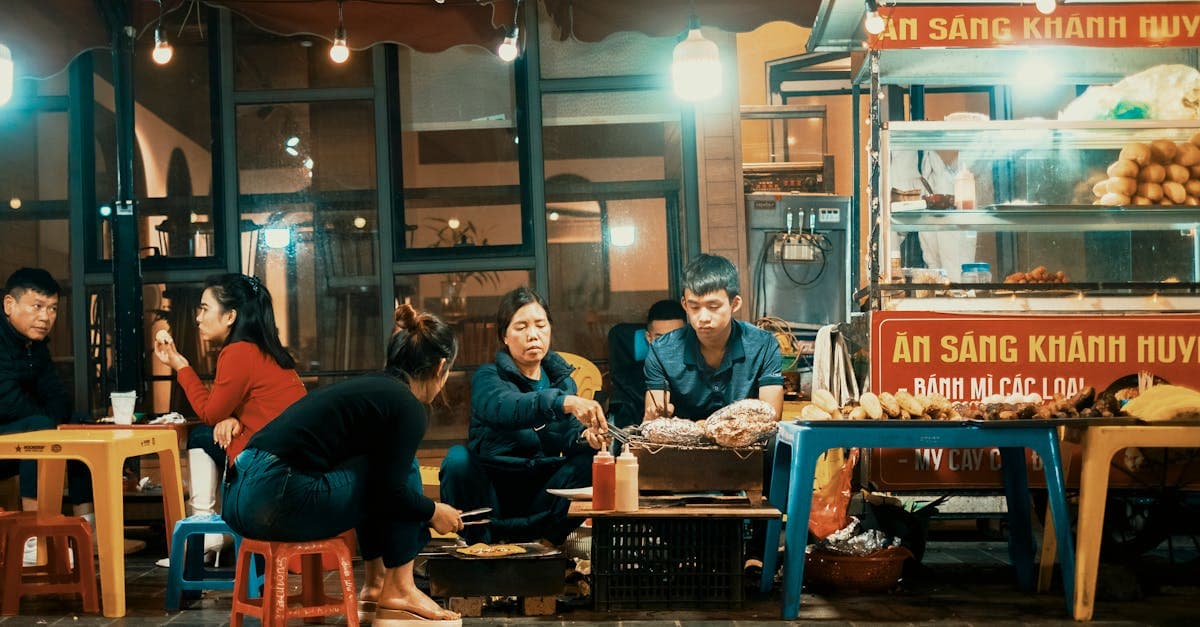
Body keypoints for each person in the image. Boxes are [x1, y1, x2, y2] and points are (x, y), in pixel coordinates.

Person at [222, 304, 464, 624]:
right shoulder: (407, 405)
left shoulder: (370, 389)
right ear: (441, 367)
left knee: (380, 466)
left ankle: (376, 585)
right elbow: (389, 491)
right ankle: (401, 589)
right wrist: (434, 511)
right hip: (276, 496)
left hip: (236, 498)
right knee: (405, 469)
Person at [152, 273, 306, 566]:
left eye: (204, 309)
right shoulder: (266, 350)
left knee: (200, 437)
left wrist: (180, 365)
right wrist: (233, 418)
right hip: (290, 459)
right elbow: (253, 405)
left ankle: (205, 534)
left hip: (269, 464)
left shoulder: (238, 352)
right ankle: (215, 534)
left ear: (230, 316)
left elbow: (210, 413)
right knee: (211, 435)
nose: (198, 318)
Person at [439, 287, 607, 546]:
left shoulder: (563, 382)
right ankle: (479, 547)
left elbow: (568, 434)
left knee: (595, 459)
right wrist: (564, 402)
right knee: (457, 460)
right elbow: (507, 407)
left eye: (540, 325)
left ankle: (548, 544)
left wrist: (587, 437)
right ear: (504, 336)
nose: (533, 335)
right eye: (521, 327)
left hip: (542, 495)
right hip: (492, 494)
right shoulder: (488, 377)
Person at [0, 268, 110, 563]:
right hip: (9, 437)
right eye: (37, 306)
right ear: (9, 304)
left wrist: (60, 425)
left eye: (52, 309)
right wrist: (49, 425)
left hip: (19, 434)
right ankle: (33, 538)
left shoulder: (35, 347)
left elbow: (57, 396)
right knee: (39, 430)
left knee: (78, 424)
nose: (46, 317)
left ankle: (87, 528)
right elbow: (8, 402)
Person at [643, 254, 784, 422]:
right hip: (683, 438)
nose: (703, 318)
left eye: (713, 307)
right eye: (694, 307)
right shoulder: (662, 351)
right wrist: (656, 416)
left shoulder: (763, 345)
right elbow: (654, 418)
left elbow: (771, 417)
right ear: (685, 305)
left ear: (734, 304)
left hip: (747, 438)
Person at [606, 299, 687, 429]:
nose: (668, 345)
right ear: (649, 338)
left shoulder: (698, 374)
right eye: (660, 338)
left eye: (675, 337)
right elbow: (624, 429)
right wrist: (647, 421)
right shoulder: (627, 382)